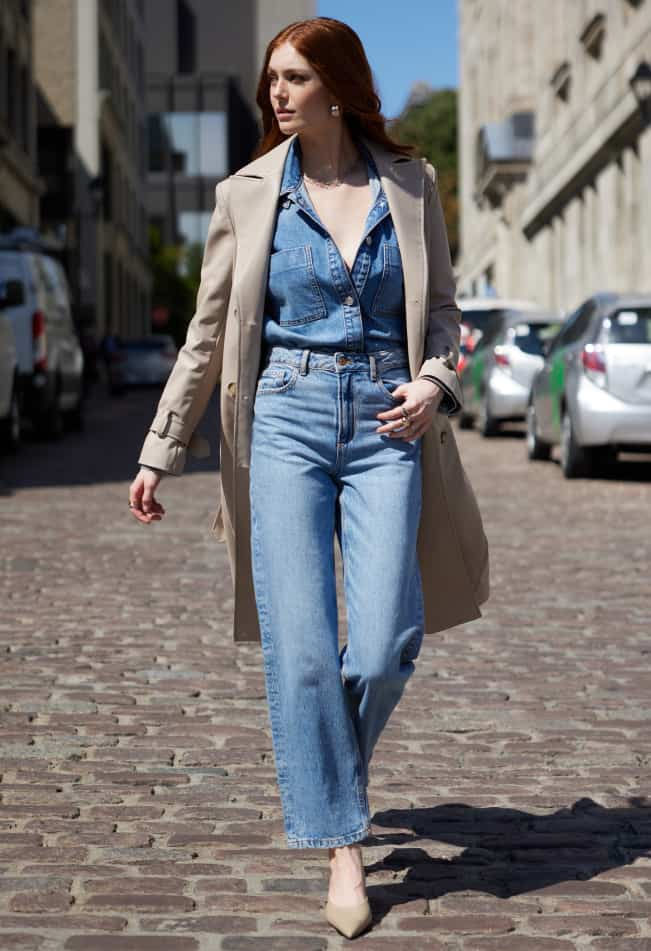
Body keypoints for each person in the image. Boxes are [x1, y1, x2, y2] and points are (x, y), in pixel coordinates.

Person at [128, 16, 489, 941]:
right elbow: (208, 334)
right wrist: (159, 446)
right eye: (271, 80)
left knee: (381, 641)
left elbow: (444, 313)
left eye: (293, 78)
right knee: (299, 646)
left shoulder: (412, 184)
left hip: (385, 417)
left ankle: (330, 774)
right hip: (281, 419)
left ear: (337, 84)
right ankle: (342, 847)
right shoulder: (247, 193)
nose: (277, 94)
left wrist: (435, 383)